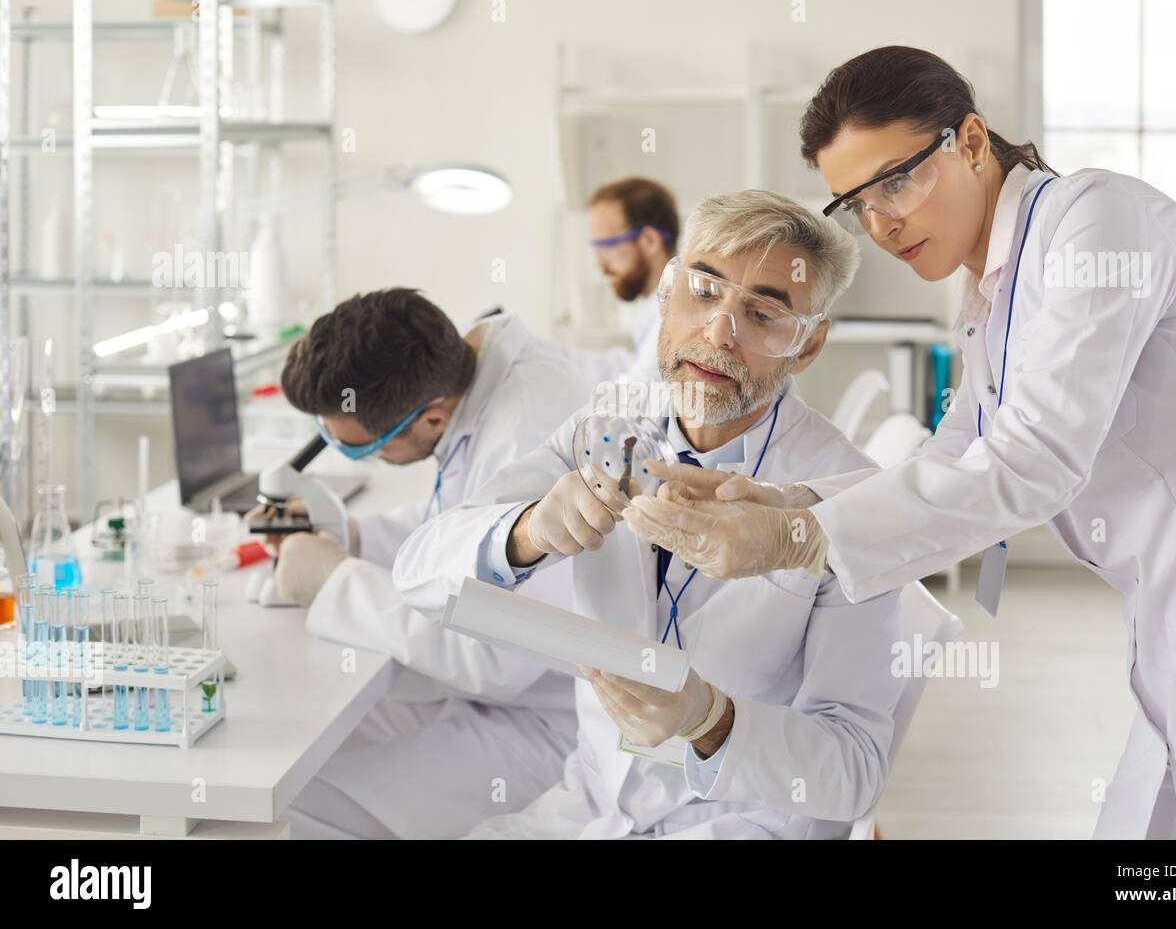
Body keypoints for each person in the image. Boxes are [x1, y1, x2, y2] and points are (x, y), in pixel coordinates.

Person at [623, 46, 1176, 839]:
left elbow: (1035, 458)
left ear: (972, 140)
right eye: (856, 202)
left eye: (896, 181)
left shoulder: (1095, 218)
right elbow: (955, 455)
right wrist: (782, 498)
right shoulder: (984, 294)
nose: (881, 223)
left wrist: (795, 538)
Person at [393, 191, 904, 839]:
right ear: (666, 296)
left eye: (764, 312)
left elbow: (854, 771)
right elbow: (416, 570)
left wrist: (709, 719)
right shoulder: (607, 424)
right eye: (703, 291)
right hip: (593, 805)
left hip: (743, 820)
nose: (721, 331)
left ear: (807, 344)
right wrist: (528, 530)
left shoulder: (852, 500)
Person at [271, 288, 592, 838]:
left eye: (358, 447)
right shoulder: (471, 373)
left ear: (432, 419)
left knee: (290, 808)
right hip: (498, 695)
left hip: (552, 720)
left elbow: (491, 658)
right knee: (291, 741)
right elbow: (454, 519)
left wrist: (336, 582)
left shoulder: (526, 432)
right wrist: (355, 536)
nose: (356, 454)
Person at [583, 177, 679, 379]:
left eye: (607, 247)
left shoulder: (675, 319)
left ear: (650, 241)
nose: (600, 264)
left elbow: (635, 393)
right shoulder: (656, 307)